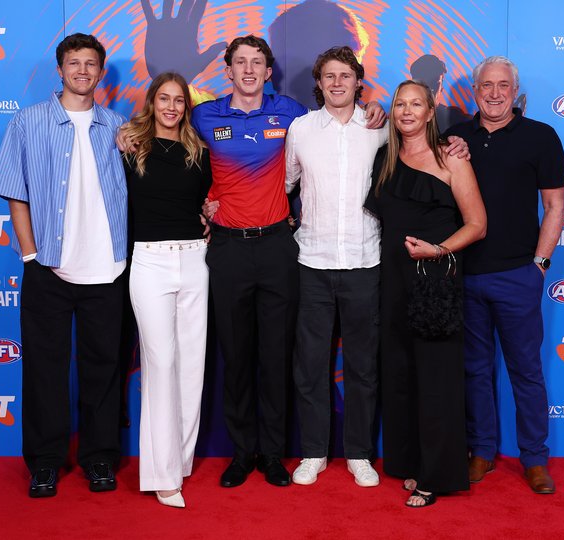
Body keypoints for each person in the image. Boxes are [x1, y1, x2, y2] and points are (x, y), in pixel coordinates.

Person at [188, 35, 386, 489]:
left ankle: (274, 454)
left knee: (277, 358)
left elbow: (292, 179)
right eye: (241, 62)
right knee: (236, 358)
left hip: (281, 249)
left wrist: (377, 107)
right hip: (230, 249)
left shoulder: (292, 115)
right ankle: (242, 453)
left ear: (269, 70)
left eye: (258, 62)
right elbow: (167, 140)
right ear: (229, 70)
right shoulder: (205, 115)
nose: (249, 70)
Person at [0, 33, 127, 498]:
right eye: (74, 63)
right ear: (60, 69)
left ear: (100, 72)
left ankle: (99, 458)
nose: (83, 71)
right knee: (45, 371)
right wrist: (29, 256)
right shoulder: (29, 123)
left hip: (106, 270)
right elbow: (15, 193)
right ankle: (45, 463)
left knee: (103, 369)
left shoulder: (117, 127)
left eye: (91, 64)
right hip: (47, 267)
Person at [445, 56, 564, 494]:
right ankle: (482, 452)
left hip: (519, 275)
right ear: (474, 91)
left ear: (515, 91)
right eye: (486, 86)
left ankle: (534, 458)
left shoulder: (541, 137)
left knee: (526, 372)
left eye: (503, 86)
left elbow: (554, 207)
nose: (494, 94)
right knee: (474, 371)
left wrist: (540, 266)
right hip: (466, 276)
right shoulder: (455, 138)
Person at [364, 80, 486, 507]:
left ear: (431, 112)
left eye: (417, 104)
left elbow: (477, 224)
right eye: (400, 104)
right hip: (393, 280)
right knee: (401, 376)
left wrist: (438, 250)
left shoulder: (451, 157)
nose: (407, 111)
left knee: (436, 380)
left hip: (435, 278)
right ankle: (411, 464)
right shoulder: (384, 158)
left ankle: (437, 475)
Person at [285, 46, 387, 488]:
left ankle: (360, 454)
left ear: (359, 81)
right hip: (312, 262)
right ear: (320, 82)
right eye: (329, 76)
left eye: (346, 75)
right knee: (310, 365)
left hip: (366, 261)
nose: (338, 83)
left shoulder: (379, 128)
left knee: (363, 365)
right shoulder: (300, 129)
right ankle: (314, 452)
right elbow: (284, 184)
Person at [120, 72, 212, 508]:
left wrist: (210, 217)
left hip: (195, 259)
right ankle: (161, 475)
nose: (172, 107)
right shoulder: (130, 146)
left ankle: (180, 461)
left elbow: (208, 204)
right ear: (152, 102)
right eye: (164, 99)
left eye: (179, 101)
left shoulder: (199, 151)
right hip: (150, 261)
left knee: (192, 365)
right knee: (160, 363)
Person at [410, 54, 469, 133]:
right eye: (425, 84)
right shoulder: (401, 116)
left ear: (441, 88)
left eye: (435, 84)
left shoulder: (455, 118)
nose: (430, 91)